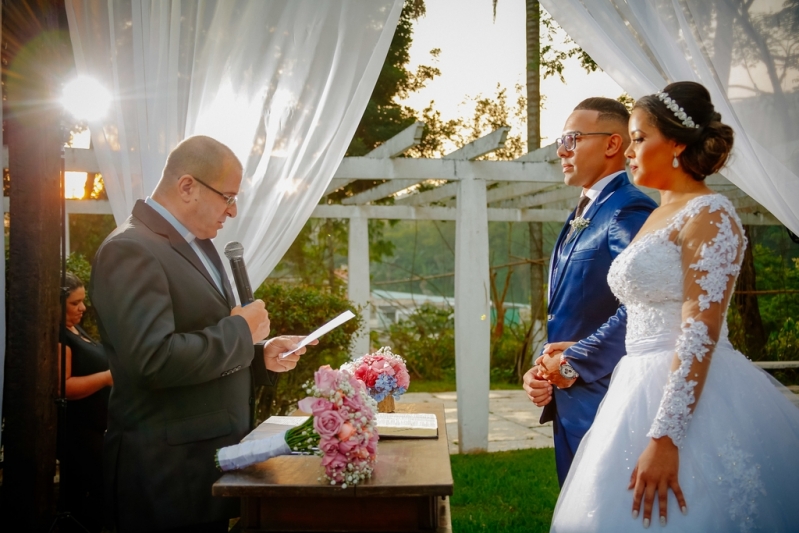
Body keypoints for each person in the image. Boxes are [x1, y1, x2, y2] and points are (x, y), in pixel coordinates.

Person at [551, 81, 799, 532]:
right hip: (634, 382)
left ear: (677, 145)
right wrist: (578, 346)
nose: (629, 151)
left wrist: (666, 437)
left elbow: (699, 327)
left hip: (686, 396)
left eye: (640, 138)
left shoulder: (710, 213)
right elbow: (648, 308)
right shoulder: (655, 215)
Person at [91, 136, 313, 532]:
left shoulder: (201, 246)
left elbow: (198, 336)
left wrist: (257, 353)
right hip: (165, 476)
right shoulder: (130, 249)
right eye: (228, 196)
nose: (234, 210)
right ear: (188, 186)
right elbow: (153, 360)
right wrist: (240, 332)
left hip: (204, 464)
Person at [522, 98, 657, 485]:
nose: (562, 151)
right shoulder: (583, 212)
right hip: (570, 400)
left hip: (608, 399)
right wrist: (544, 367)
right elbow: (577, 311)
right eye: (561, 141)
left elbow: (646, 306)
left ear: (613, 144)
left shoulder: (627, 212)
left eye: (572, 138)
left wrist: (574, 362)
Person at [58, 272, 113, 532]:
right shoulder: (60, 338)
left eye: (82, 301)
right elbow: (63, 386)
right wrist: (105, 377)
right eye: (74, 303)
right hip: (79, 433)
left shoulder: (75, 328)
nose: (82, 308)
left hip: (98, 429)